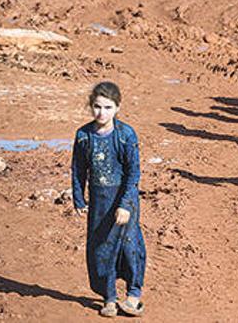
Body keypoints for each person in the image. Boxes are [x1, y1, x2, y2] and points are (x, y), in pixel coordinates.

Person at [71, 82, 146, 318]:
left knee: (129, 246)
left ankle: (133, 296)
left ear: (117, 108)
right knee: (101, 248)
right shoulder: (83, 136)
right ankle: (109, 297)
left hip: (125, 199)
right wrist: (78, 198)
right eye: (97, 106)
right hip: (99, 201)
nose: (101, 112)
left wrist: (125, 205)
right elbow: (78, 169)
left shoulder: (126, 135)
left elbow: (133, 173)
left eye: (107, 107)